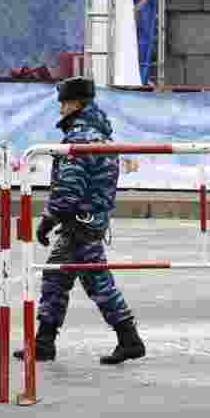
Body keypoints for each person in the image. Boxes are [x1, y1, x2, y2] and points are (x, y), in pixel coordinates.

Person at [14, 76, 146, 366]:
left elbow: (70, 187)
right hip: (90, 220)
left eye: (64, 103)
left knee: (76, 280)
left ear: (76, 104)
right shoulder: (99, 134)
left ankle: (49, 343)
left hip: (79, 223)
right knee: (75, 278)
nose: (60, 108)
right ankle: (124, 339)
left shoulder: (80, 139)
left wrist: (49, 218)